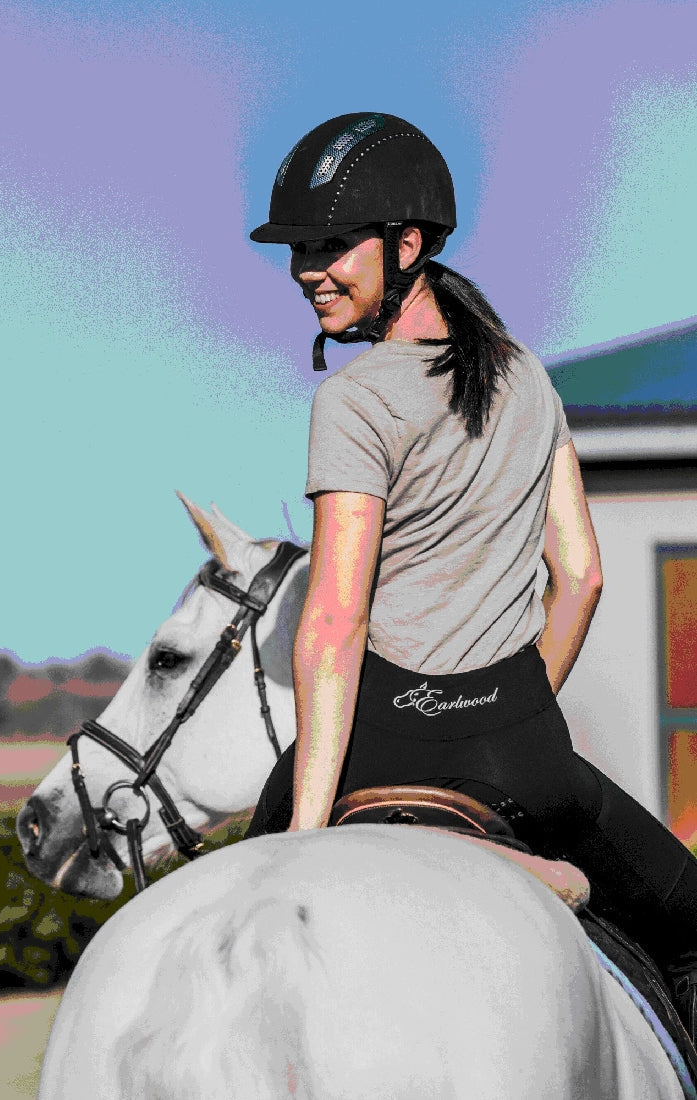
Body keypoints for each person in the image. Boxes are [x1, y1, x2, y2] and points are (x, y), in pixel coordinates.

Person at [244, 111, 697, 1038]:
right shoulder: (529, 378)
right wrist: (512, 708)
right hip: (516, 756)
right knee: (687, 927)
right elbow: (581, 579)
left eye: (329, 246)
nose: (305, 273)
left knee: (230, 929)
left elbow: (332, 621)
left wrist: (302, 836)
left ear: (406, 243)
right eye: (295, 251)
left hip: (374, 744)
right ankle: (558, 880)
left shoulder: (354, 399)